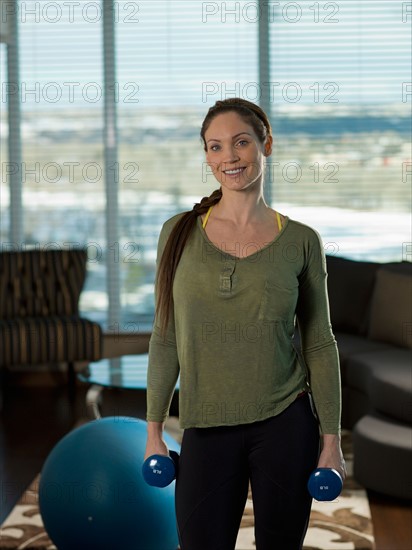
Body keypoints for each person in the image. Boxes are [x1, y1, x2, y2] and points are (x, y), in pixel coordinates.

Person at [144, 97, 346, 550]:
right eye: (214, 147)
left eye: (240, 143)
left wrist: (331, 441)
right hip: (205, 424)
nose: (228, 157)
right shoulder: (177, 233)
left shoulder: (302, 241)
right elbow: (166, 337)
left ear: (265, 145)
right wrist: (153, 432)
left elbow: (319, 343)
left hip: (285, 421)